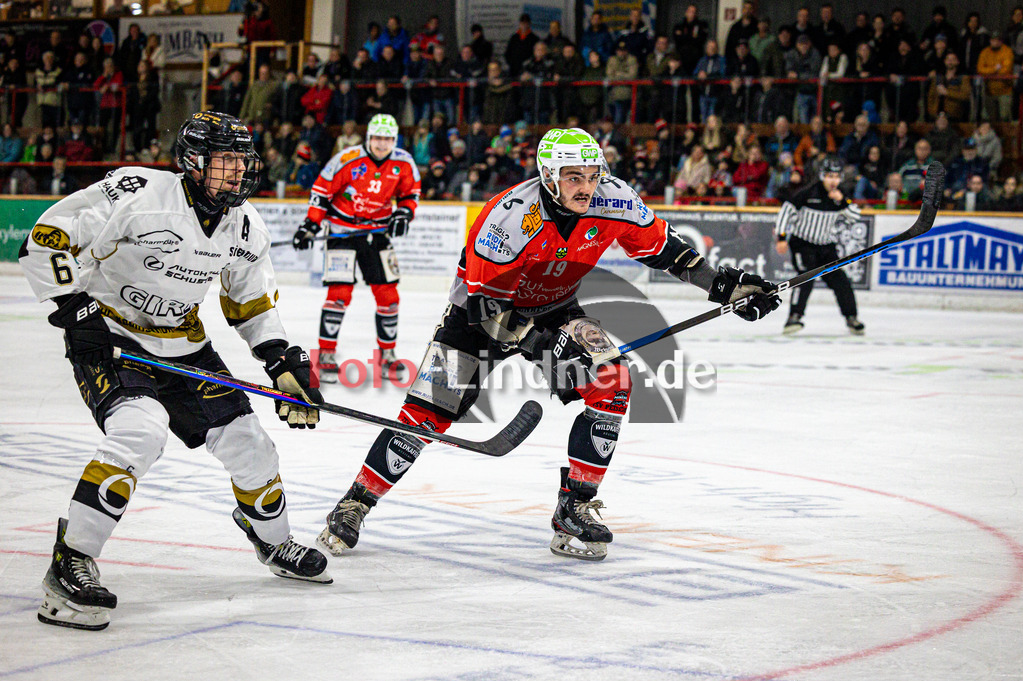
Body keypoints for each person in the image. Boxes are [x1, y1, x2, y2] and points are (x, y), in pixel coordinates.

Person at [316, 128, 780, 562]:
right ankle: (356, 502)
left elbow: (665, 249)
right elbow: (483, 307)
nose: (586, 186)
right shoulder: (509, 218)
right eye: (573, 176)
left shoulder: (614, 200)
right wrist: (539, 342)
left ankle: (573, 508)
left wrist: (724, 285)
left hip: (555, 306)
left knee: (613, 383)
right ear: (548, 176)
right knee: (427, 414)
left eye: (592, 175)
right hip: (479, 316)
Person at [20, 111, 332, 631]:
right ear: (193, 161)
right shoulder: (138, 191)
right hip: (113, 335)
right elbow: (49, 235)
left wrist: (280, 360)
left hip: (184, 346)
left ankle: (274, 544)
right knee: (139, 432)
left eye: (242, 161)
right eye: (225, 162)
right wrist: (73, 307)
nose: (237, 173)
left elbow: (250, 300)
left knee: (250, 444)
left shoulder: (244, 223)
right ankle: (69, 562)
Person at [292, 114, 421, 383]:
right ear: (368, 138)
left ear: (394, 140)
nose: (382, 144)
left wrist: (404, 214)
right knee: (339, 293)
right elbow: (321, 191)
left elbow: (411, 194)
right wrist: (311, 224)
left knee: (388, 295)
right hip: (342, 231)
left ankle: (387, 357)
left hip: (377, 233)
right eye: (377, 138)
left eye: (387, 139)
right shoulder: (347, 159)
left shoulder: (403, 163)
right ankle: (326, 354)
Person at [775, 156, 864, 336]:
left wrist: (843, 201)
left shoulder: (840, 195)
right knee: (806, 277)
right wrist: (782, 237)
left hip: (826, 246)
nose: (833, 181)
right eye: (830, 176)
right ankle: (794, 316)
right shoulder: (808, 192)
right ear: (823, 176)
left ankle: (851, 318)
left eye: (836, 177)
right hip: (802, 244)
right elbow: (787, 210)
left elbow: (855, 216)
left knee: (841, 281)